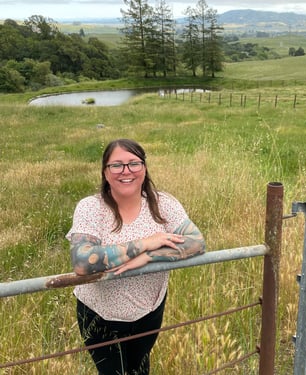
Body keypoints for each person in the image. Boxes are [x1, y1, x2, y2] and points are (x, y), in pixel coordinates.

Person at [66, 138, 206, 375]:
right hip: (101, 316)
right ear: (105, 173)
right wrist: (145, 243)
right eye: (117, 165)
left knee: (140, 368)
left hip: (150, 310)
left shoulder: (162, 203)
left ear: (144, 168)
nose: (126, 171)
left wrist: (149, 256)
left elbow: (196, 242)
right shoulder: (91, 208)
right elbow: (82, 261)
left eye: (134, 163)